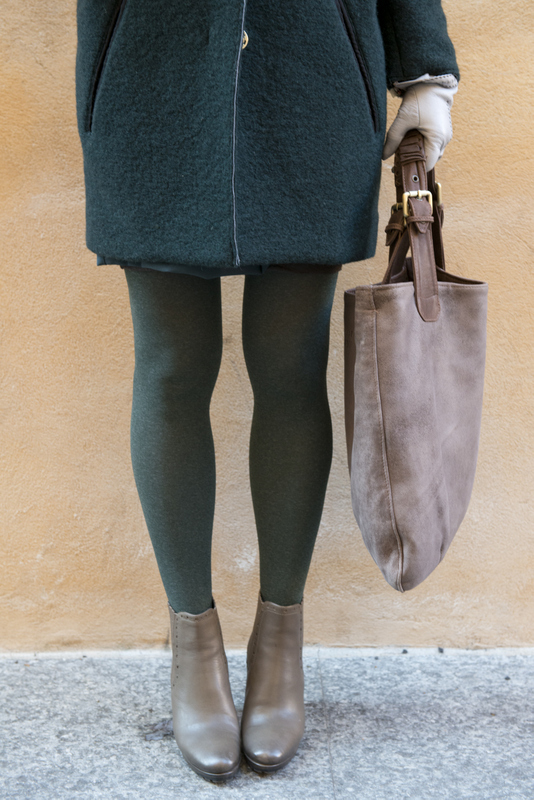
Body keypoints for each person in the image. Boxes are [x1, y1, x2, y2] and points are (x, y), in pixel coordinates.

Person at [76, 0, 459, 782]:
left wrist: (424, 72)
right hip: (151, 72)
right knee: (172, 369)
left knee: (291, 370)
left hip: (313, 71)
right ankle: (193, 642)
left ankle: (281, 637)